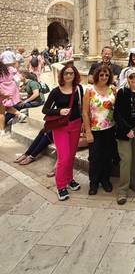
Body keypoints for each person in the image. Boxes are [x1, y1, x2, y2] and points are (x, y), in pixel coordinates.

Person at [42, 64, 84, 201]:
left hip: (76, 125)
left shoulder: (78, 89)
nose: (69, 76)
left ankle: (69, 179)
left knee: (71, 156)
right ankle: (60, 186)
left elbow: (81, 107)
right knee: (64, 157)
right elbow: (45, 110)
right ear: (62, 75)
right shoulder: (56, 91)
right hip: (61, 127)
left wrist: (84, 124)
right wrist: (59, 111)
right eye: (66, 73)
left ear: (75, 75)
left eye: (71, 73)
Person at [113, 68, 135, 204]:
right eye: (131, 77)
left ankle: (134, 182)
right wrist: (127, 129)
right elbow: (117, 114)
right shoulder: (122, 92)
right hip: (124, 130)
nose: (133, 80)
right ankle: (122, 190)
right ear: (127, 79)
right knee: (126, 159)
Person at [82, 65, 116, 195]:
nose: (104, 77)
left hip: (109, 128)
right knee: (95, 157)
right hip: (95, 129)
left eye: (106, 75)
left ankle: (105, 180)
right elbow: (85, 113)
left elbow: (116, 109)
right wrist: (88, 131)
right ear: (97, 75)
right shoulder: (90, 90)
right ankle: (94, 182)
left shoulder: (112, 89)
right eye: (101, 75)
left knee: (107, 156)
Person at [0, 61, 25, 135]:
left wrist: (3, 94)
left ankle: (2, 130)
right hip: (11, 89)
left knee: (1, 113)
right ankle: (20, 114)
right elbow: (18, 76)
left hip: (2, 91)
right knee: (6, 107)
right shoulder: (10, 68)